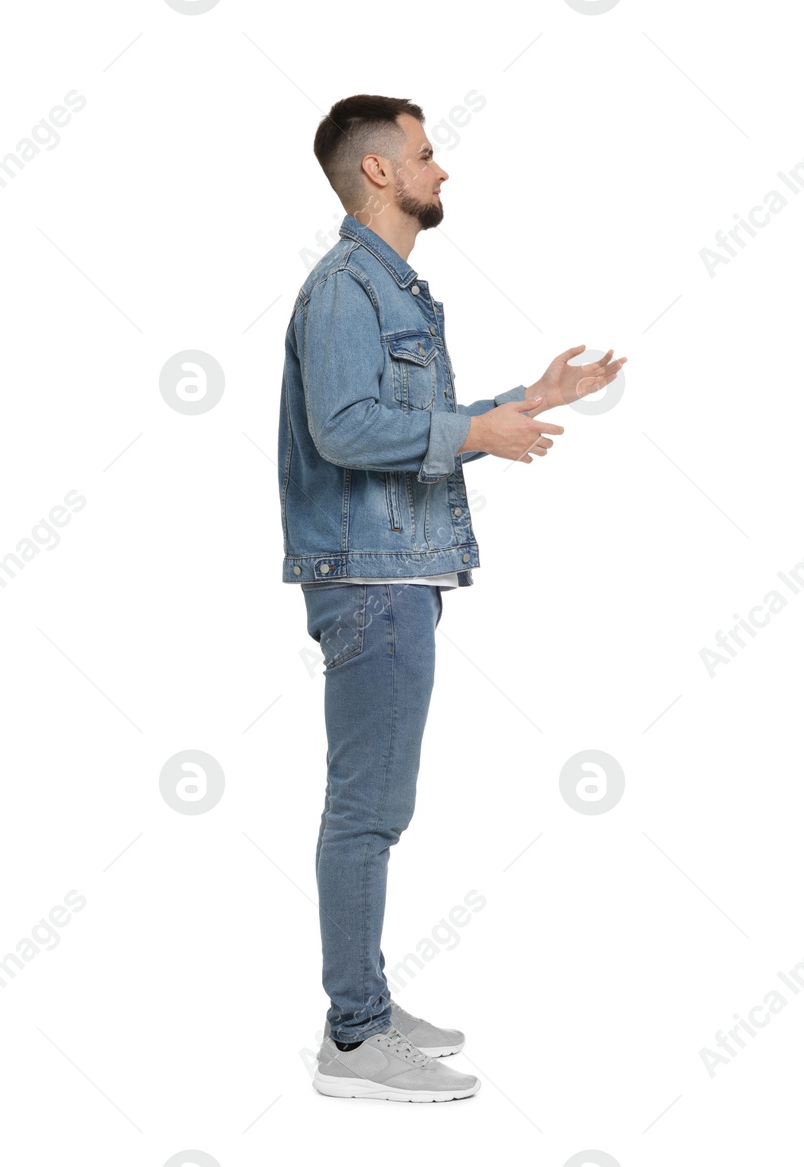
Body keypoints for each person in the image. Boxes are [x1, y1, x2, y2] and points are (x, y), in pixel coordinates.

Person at [277, 93, 626, 1102]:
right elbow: (343, 430)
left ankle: (369, 1008)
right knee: (368, 808)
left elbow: (402, 420)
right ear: (377, 172)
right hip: (371, 578)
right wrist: (475, 437)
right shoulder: (349, 287)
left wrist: (531, 403)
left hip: (399, 573)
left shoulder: (389, 288)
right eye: (427, 154)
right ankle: (354, 1038)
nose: (443, 170)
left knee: (378, 803)